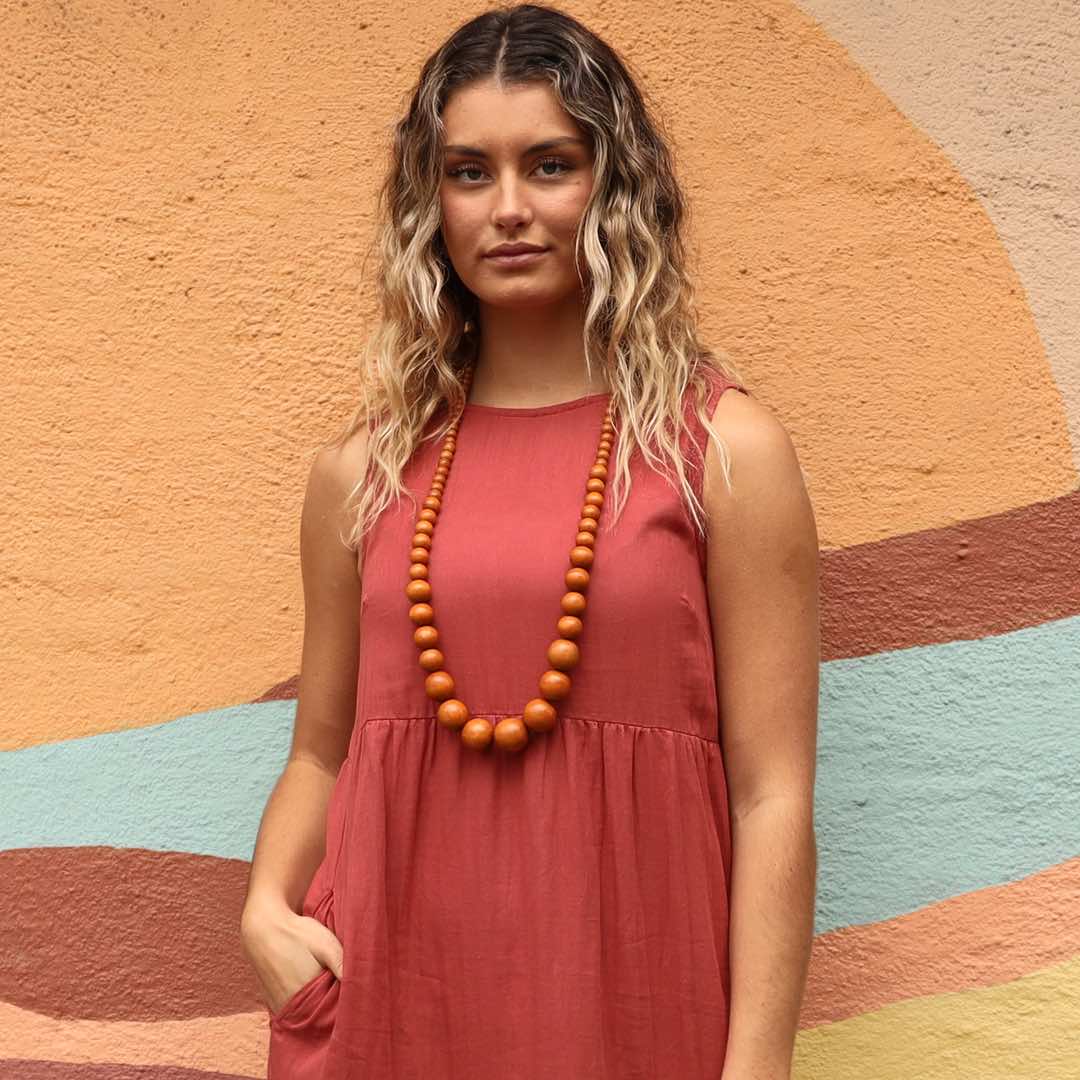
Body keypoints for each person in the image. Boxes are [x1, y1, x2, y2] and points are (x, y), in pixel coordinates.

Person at [240, 4, 820, 1079]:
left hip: (640, 999)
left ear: (616, 187)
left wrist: (760, 1062)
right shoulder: (359, 475)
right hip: (390, 1005)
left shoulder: (725, 453)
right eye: (469, 172)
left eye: (550, 165)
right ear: (430, 202)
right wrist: (266, 911)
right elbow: (322, 747)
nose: (509, 208)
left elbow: (773, 792)